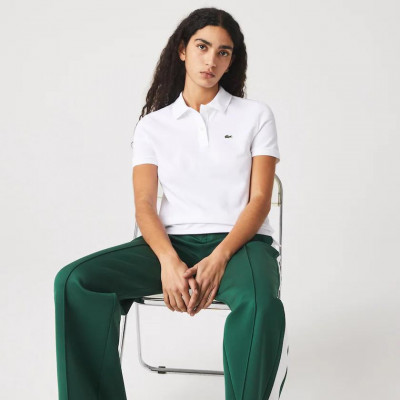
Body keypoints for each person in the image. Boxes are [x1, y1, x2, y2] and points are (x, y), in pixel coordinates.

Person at [54, 7, 289, 400]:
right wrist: (167, 261)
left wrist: (219, 258)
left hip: (241, 245)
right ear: (182, 50)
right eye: (202, 47)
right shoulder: (153, 126)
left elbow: (261, 199)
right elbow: (144, 204)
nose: (211, 60)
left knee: (261, 304)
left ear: (232, 61)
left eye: (223, 52)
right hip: (168, 245)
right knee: (75, 282)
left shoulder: (255, 115)